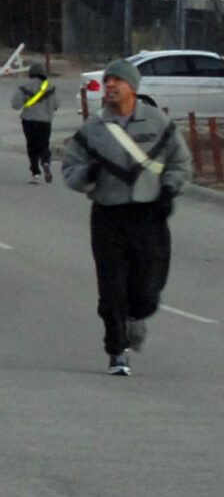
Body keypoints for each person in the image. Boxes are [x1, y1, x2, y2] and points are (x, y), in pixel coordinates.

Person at [59, 59, 193, 375]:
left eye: (117, 81)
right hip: (108, 216)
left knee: (147, 289)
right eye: (107, 81)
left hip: (149, 216)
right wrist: (87, 175)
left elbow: (181, 163)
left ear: (132, 87)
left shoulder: (158, 122)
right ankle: (117, 350)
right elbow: (70, 170)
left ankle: (136, 317)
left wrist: (169, 190)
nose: (110, 86)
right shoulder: (93, 129)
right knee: (111, 288)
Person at [14, 62, 57, 183]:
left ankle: (35, 173)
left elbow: (15, 104)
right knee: (44, 145)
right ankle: (46, 162)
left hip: (28, 121)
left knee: (31, 146)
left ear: (30, 73)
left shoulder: (24, 86)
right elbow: (57, 104)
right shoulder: (51, 87)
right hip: (45, 121)